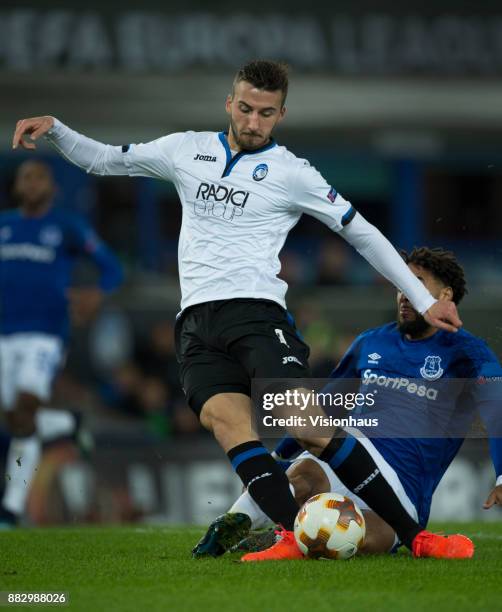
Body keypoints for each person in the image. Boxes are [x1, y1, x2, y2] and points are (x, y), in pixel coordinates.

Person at [12, 60, 470, 559]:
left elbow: (361, 233)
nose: (253, 122)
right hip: (195, 323)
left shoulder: (293, 173)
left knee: (308, 426)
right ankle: (292, 536)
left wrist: (424, 300)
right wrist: (56, 130)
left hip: (257, 315)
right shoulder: (185, 149)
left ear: (281, 115)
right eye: (246, 109)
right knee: (229, 425)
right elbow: (104, 160)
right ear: (230, 103)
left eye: (266, 114)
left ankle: (418, 537)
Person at [204, 247, 500, 558]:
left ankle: (278, 537)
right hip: (350, 455)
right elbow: (324, 409)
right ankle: (226, 530)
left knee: (347, 542)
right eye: (400, 284)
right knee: (303, 475)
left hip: (405, 492)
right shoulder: (370, 342)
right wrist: (278, 457)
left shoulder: (469, 352)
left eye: (416, 283)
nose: (403, 293)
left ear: (445, 293)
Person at [0, 160, 122, 526]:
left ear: (52, 188)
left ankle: (10, 509)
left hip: (46, 334)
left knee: (24, 410)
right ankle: (67, 423)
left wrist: (95, 294)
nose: (33, 184)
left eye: (40, 178)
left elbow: (111, 267)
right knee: (14, 419)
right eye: (27, 178)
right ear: (17, 187)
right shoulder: (4, 226)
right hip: (4, 333)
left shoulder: (67, 227)